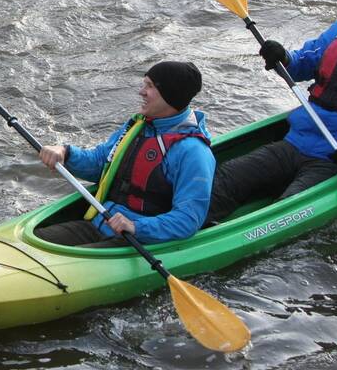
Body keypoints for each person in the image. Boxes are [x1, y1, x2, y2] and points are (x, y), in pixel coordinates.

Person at [207, 0, 337, 224]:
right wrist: (282, 57)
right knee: (228, 176)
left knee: (286, 210)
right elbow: (301, 63)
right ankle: (185, 228)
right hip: (296, 141)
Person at [35, 61, 213, 247]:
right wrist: (65, 153)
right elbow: (100, 163)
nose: (141, 91)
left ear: (170, 94)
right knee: (33, 243)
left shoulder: (194, 152)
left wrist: (136, 226)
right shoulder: (138, 126)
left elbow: (188, 219)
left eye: (149, 86)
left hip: (137, 241)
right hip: (99, 224)